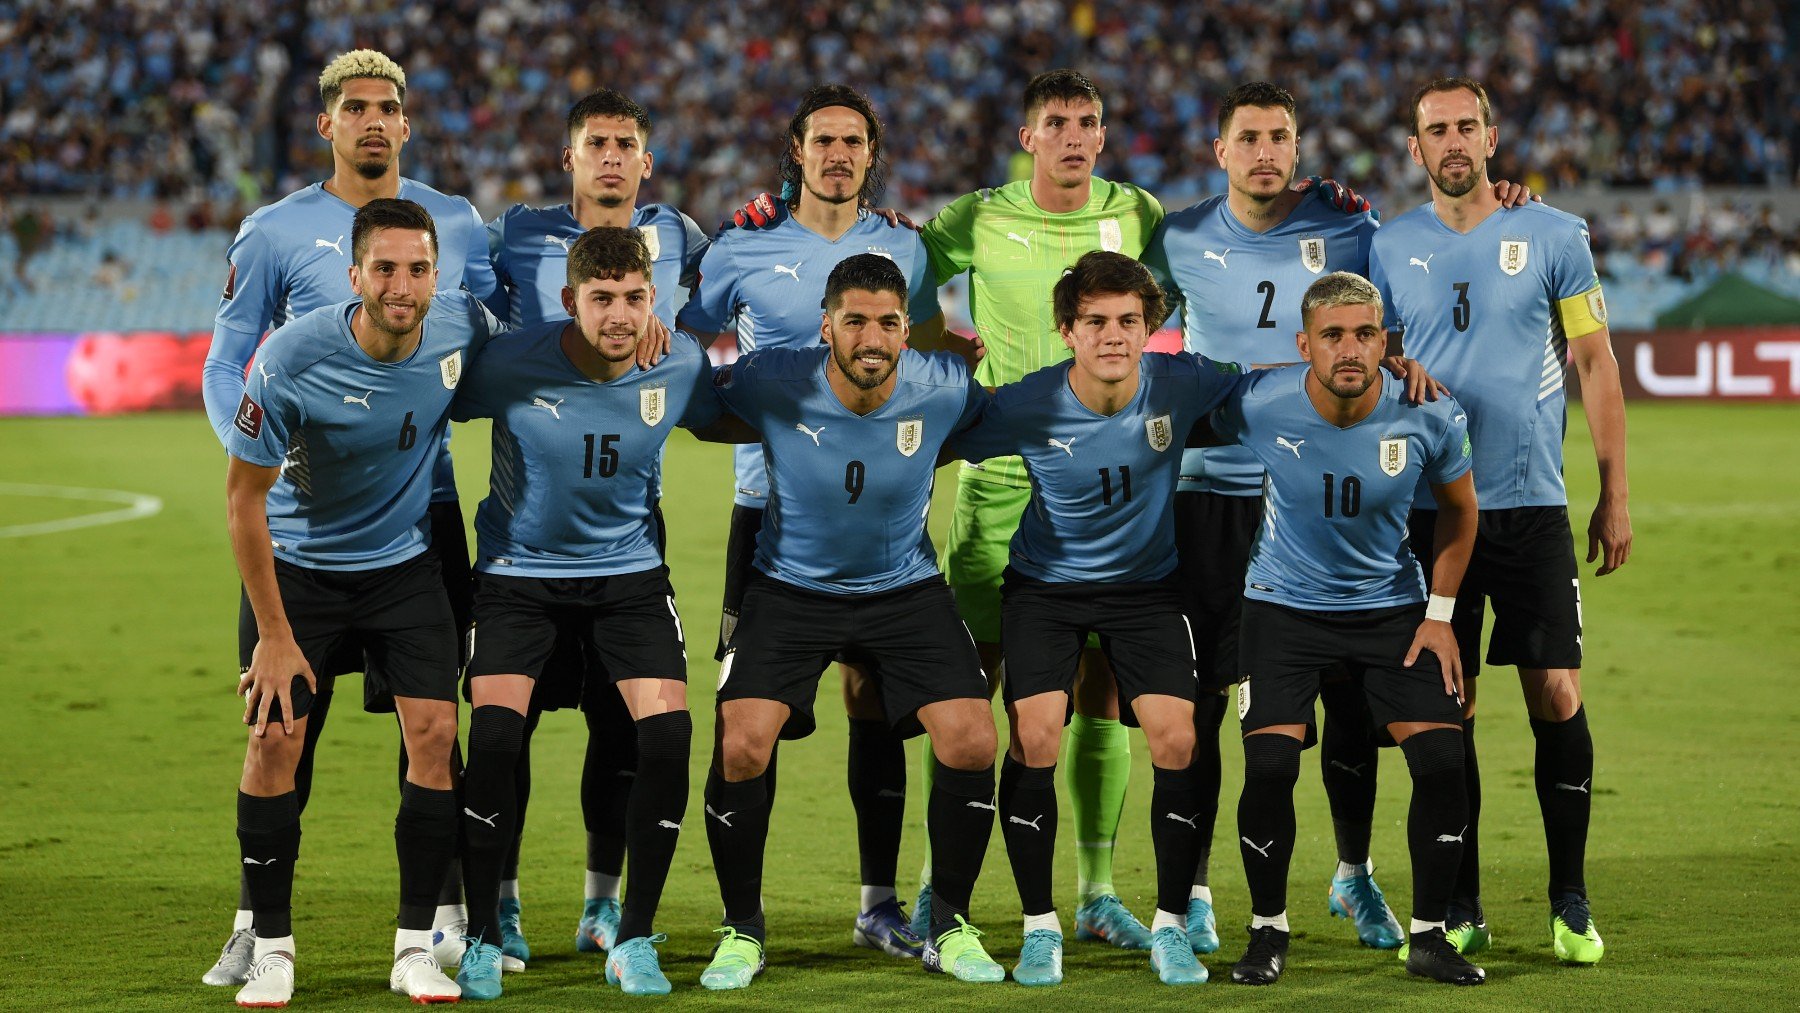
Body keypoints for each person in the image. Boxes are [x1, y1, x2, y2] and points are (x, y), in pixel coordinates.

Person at [1141, 81, 1533, 951]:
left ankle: (1352, 875)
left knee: (1355, 700)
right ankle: (1197, 889)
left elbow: (1398, 301)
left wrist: (1503, 203)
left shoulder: (1352, 225)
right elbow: (1135, 326)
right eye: (1249, 138)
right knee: (1211, 699)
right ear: (1221, 150)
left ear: (1297, 143)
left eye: (1281, 136)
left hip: (1333, 486)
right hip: (1217, 491)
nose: (1267, 153)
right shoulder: (1180, 234)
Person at [198, 49, 500, 988]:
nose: (373, 120)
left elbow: (497, 350)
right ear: (325, 123)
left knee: (434, 722)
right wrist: (261, 447)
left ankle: (440, 922)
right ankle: (261, 926)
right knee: (286, 725)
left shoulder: (456, 223)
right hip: (303, 512)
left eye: (388, 107)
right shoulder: (276, 231)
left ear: (408, 123)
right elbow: (228, 361)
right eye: (354, 107)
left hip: (424, 512)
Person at [676, 84, 946, 959]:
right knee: (746, 721)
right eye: (822, 140)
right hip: (770, 512)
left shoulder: (905, 243)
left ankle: (879, 905)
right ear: (796, 151)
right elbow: (683, 337)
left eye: (853, 141)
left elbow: (928, 347)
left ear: (872, 153)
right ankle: (741, 922)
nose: (838, 154)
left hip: (884, 520)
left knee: (876, 699)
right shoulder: (744, 242)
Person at [1369, 76, 1631, 965]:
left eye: (1465, 125)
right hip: (1430, 512)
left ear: (1491, 135)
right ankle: (1465, 899)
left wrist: (1616, 492)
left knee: (1556, 691)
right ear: (1414, 147)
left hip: (1531, 504)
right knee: (1453, 707)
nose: (1452, 140)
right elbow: (1375, 361)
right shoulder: (1387, 245)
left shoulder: (1555, 234)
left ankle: (1570, 898)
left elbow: (1593, 362)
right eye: (1435, 128)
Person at [448, 226, 745, 997]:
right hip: (518, 577)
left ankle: (633, 934)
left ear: (656, 301)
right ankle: (483, 932)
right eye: (604, 298)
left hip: (629, 579)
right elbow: (423, 393)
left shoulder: (677, 360)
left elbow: (736, 416)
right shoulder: (508, 363)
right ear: (569, 298)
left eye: (635, 298)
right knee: (495, 737)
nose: (620, 314)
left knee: (669, 734)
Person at [698, 254, 1003, 990]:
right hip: (789, 586)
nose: (873, 336)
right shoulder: (772, 378)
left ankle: (950, 923)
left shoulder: (946, 383)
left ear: (908, 329)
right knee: (741, 741)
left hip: (906, 588)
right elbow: (688, 403)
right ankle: (742, 928)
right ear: (826, 324)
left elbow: (1019, 413)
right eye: (856, 320)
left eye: (889, 322)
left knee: (971, 736)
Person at [944, 252, 1241, 986]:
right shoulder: (1030, 402)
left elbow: (1276, 390)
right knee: (1037, 735)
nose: (1115, 336)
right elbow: (936, 431)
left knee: (1179, 737)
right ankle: (1039, 925)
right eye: (1097, 322)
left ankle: (1171, 926)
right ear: (1066, 330)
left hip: (1146, 589)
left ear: (1151, 329)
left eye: (1130, 321)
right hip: (1045, 589)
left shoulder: (1184, 380)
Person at [481, 87, 711, 967]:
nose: (611, 156)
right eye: (595, 143)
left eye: (626, 143)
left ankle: (603, 907)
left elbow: (716, 318)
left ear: (646, 160)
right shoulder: (516, 233)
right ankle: (498, 905)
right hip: (528, 510)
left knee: (627, 728)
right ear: (569, 157)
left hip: (623, 520)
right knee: (513, 725)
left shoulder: (683, 236)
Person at [1207, 271, 1484, 987]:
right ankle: (1267, 931)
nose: (1350, 348)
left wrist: (1442, 615)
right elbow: (1173, 411)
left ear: (1386, 341)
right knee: (1269, 766)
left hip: (1392, 608)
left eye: (1365, 333)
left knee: (1444, 762)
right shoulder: (1259, 401)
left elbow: (1460, 511)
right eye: (1332, 335)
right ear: (1305, 345)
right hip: (1280, 606)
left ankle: (1428, 937)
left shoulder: (1429, 410)